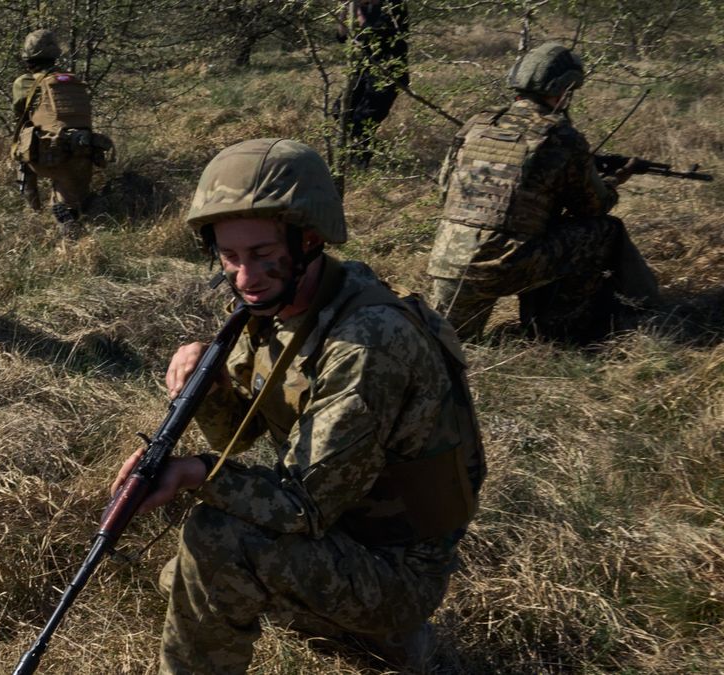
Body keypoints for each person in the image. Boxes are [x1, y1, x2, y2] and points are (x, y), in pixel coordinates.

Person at [111, 138, 485, 673]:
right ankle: (370, 636)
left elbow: (303, 506)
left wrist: (195, 474)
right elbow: (237, 437)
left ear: (310, 241)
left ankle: (391, 629)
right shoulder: (275, 302)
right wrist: (211, 385)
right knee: (182, 576)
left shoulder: (367, 342)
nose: (244, 277)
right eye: (230, 257)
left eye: (262, 255)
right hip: (347, 526)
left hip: (397, 563)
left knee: (217, 541)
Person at [427, 41, 659, 343]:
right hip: (507, 265)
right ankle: (560, 328)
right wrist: (613, 181)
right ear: (564, 90)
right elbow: (593, 207)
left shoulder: (477, 125)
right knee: (605, 231)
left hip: (449, 262)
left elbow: (444, 190)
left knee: (450, 347)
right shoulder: (562, 136)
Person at [10, 29, 111, 239]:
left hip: (46, 155)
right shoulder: (73, 81)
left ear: (27, 58)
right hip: (84, 152)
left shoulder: (25, 82)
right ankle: (70, 217)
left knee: (23, 148)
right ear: (55, 55)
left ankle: (33, 212)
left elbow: (20, 114)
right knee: (69, 193)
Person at [335, 0, 409, 168]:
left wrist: (356, 7)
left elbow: (368, 31)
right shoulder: (359, 5)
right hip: (364, 69)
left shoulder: (393, 5)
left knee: (364, 120)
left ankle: (359, 166)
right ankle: (360, 154)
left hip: (388, 72)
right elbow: (342, 36)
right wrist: (344, 9)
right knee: (339, 111)